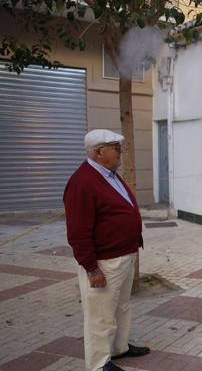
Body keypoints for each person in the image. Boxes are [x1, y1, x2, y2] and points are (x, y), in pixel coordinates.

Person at [63, 129, 150, 371]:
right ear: (99, 152)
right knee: (100, 316)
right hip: (104, 263)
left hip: (124, 256)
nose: (120, 151)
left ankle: (119, 348)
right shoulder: (82, 182)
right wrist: (91, 269)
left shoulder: (109, 175)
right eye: (115, 147)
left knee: (121, 307)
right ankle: (99, 364)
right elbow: (78, 233)